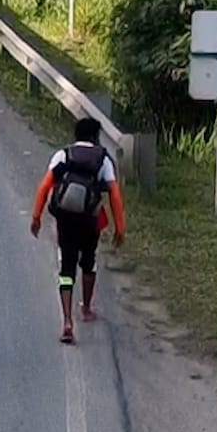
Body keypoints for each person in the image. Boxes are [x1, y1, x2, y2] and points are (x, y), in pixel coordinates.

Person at [30, 117, 126, 345]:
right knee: (89, 261)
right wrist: (120, 228)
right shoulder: (102, 159)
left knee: (67, 267)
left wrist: (36, 217)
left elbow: (44, 187)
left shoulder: (63, 155)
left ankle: (67, 322)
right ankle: (86, 308)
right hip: (90, 220)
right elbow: (114, 194)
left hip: (65, 219)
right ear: (95, 136)